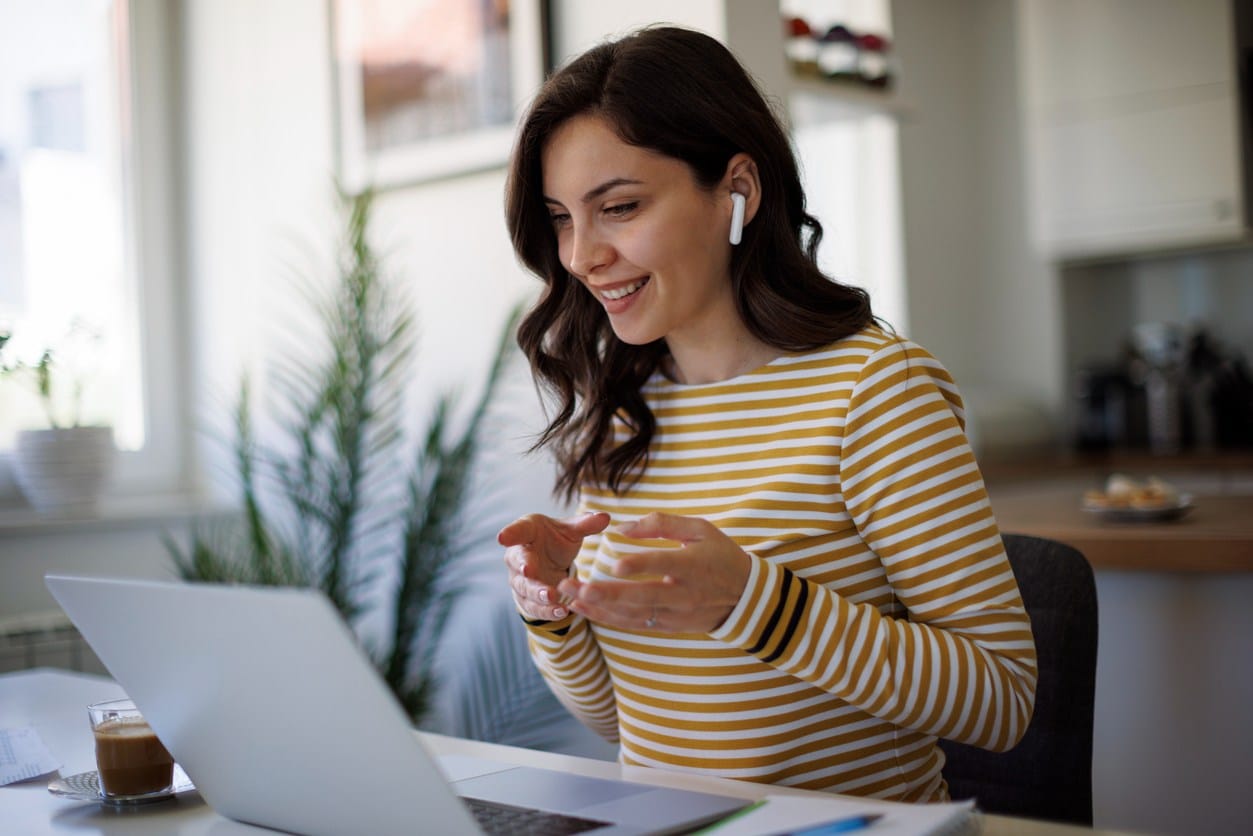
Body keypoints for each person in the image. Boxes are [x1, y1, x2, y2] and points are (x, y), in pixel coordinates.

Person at [497, 25, 1037, 803]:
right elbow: (625, 722)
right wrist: (553, 612)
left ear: (737, 191)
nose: (581, 255)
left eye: (617, 206)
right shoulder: (623, 416)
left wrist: (750, 600)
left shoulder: (875, 392)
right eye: (559, 218)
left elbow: (1001, 698)